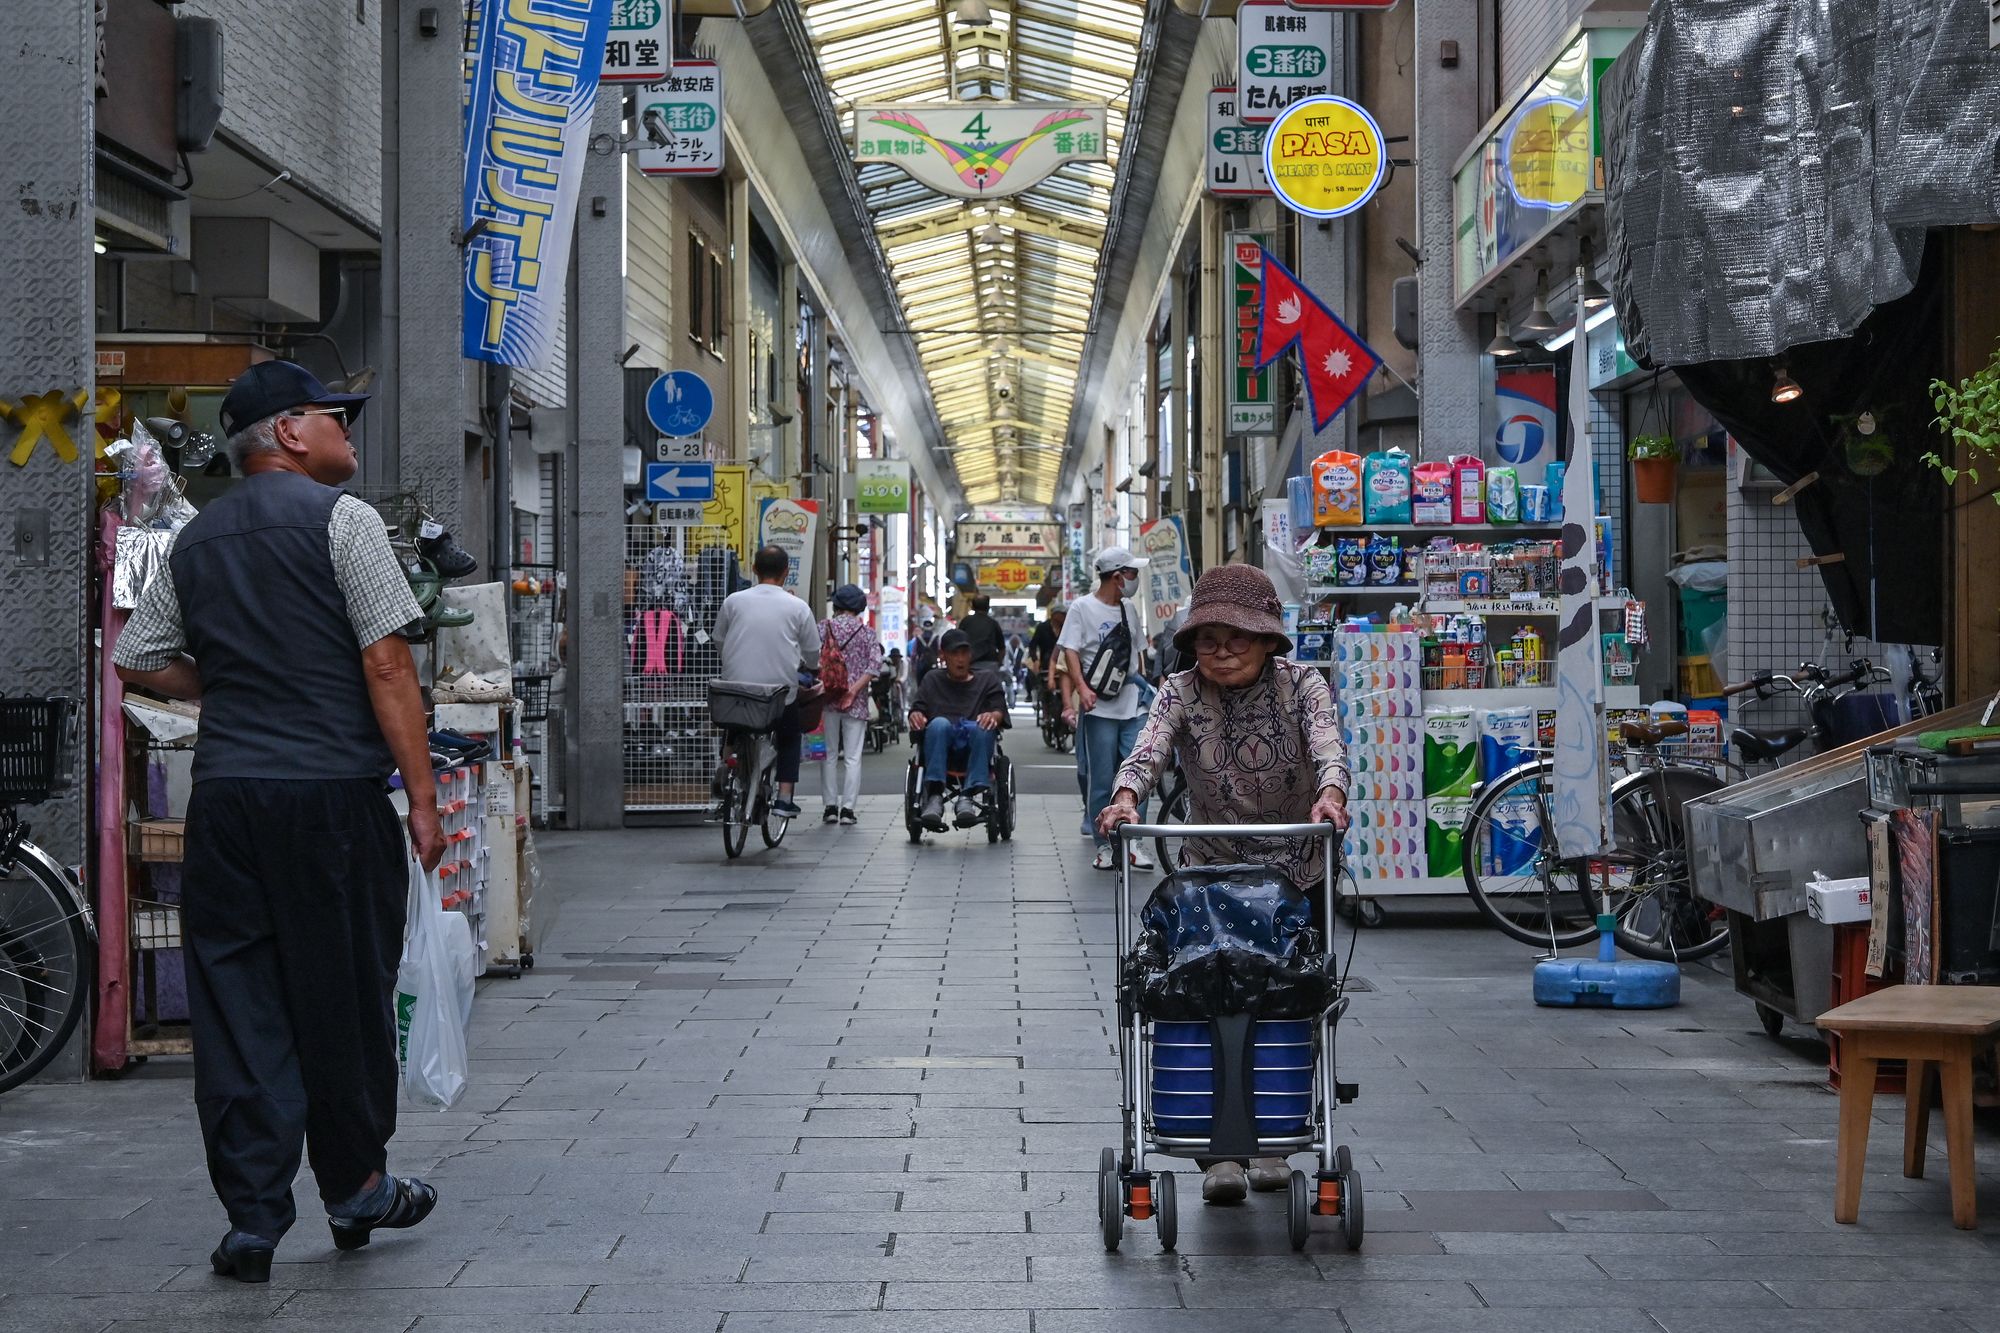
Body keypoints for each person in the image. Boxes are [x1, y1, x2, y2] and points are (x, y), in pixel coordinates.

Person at [111, 360, 442, 1282]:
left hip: (229, 801)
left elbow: (137, 659)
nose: (348, 431)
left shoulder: (197, 537)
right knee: (340, 994)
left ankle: (251, 1220)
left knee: (237, 1002)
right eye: (336, 417)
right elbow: (387, 666)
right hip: (329, 794)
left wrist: (225, 684)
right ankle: (356, 1185)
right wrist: (421, 798)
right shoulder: (348, 521)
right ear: (290, 430)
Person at [1096, 564, 1352, 1207]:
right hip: (1209, 874)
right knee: (1203, 996)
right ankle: (1220, 1151)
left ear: (1268, 640)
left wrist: (1330, 795)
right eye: (1207, 639)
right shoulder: (1179, 691)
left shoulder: (1304, 686)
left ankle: (1277, 1137)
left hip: (1296, 864)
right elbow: (1148, 749)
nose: (1222, 651)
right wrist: (1126, 797)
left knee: (1290, 999)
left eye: (1238, 637)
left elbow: (1330, 747)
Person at [1060, 546, 1156, 872]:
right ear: (1117, 577)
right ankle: (1104, 845)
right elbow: (1070, 651)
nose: (1135, 579)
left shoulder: (1129, 609)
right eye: (1132, 573)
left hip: (1132, 705)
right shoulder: (1081, 608)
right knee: (1100, 778)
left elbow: (1138, 654)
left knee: (1136, 775)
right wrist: (1082, 689)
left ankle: (1134, 841)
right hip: (1099, 707)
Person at [713, 545, 820, 819]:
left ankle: (726, 764)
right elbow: (812, 651)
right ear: (786, 573)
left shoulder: (733, 601)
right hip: (778, 693)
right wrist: (812, 667)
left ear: (755, 569)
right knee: (789, 734)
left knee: (734, 721)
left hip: (735, 689)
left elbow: (719, 639)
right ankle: (785, 797)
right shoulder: (798, 606)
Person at [908, 628, 1009, 831]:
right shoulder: (932, 679)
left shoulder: (987, 680)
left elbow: (999, 710)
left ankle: (967, 796)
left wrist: (993, 716)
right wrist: (915, 715)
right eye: (955, 654)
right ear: (943, 655)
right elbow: (917, 708)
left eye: (964, 653)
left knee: (982, 726)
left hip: (975, 745)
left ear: (971, 655)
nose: (960, 659)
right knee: (938, 724)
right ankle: (935, 796)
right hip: (940, 745)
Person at [817, 583, 883, 826]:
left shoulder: (824, 628)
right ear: (860, 607)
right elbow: (875, 666)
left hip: (827, 699)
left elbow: (810, 657)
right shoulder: (866, 633)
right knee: (853, 757)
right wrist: (853, 692)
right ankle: (848, 810)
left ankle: (830, 807)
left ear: (836, 605)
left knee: (829, 755)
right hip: (854, 703)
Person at [959, 594, 1006, 674]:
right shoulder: (993, 623)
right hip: (990, 665)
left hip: (969, 665)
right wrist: (999, 663)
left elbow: (958, 643)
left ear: (973, 607)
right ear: (988, 608)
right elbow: (1002, 649)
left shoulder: (965, 622)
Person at [907, 610, 943, 687]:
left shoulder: (918, 638)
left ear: (923, 628)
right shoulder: (936, 638)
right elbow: (940, 651)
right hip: (933, 664)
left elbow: (914, 654)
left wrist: (913, 666)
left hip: (921, 664)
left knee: (921, 686)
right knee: (934, 685)